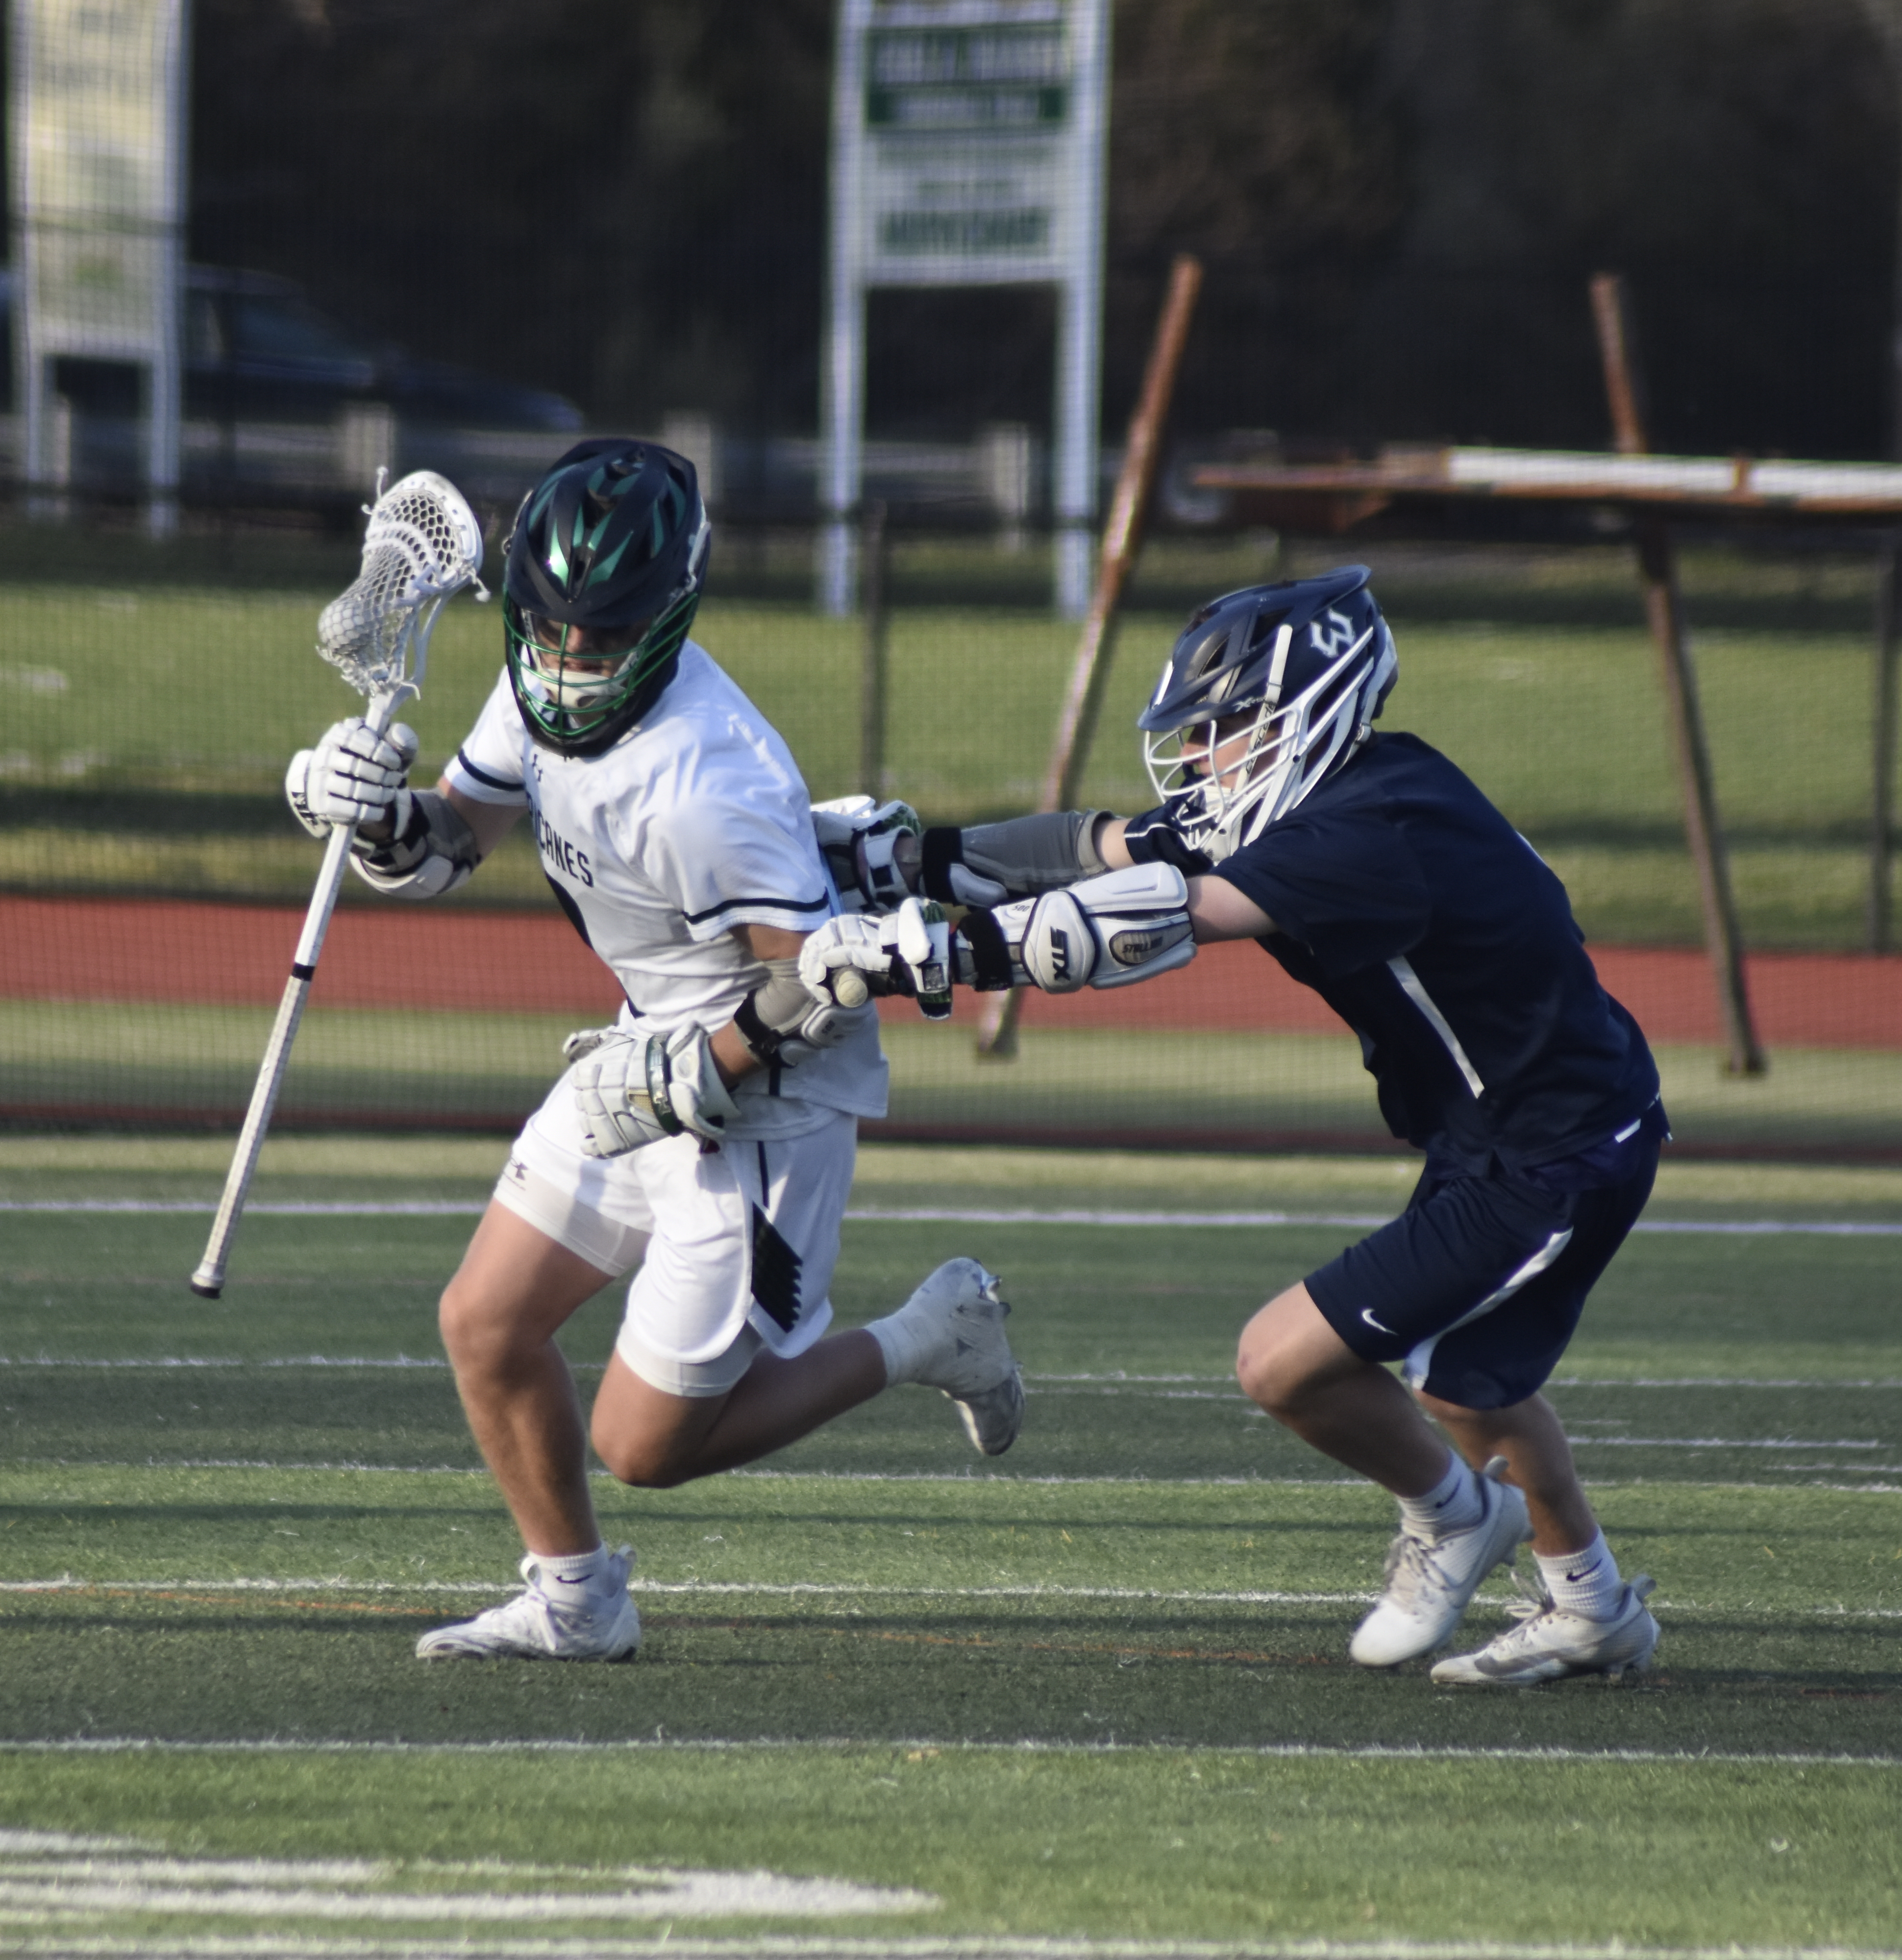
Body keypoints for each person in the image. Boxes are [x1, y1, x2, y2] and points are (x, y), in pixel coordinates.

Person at [803, 564, 1666, 1686]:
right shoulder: (1344, 792)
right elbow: (1102, 846)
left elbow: (1162, 916)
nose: (1202, 755)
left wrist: (948, 951)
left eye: (1225, 726)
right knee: (1473, 1381)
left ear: (1313, 706)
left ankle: (1457, 1519)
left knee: (1292, 1365)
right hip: (1516, 1128)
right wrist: (914, 857)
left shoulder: (1369, 831)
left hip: (1558, 1147)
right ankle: (1590, 1603)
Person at [282, 438, 1024, 1663]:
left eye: (602, 636)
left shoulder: (712, 777)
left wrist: (695, 1076)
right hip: (645, 1051)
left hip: (765, 1101)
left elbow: (821, 984)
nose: (570, 663)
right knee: (484, 1320)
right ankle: (578, 1599)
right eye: (551, 629)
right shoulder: (531, 681)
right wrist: (372, 817)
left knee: (645, 1446)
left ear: (670, 616)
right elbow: (454, 839)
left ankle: (933, 1332)